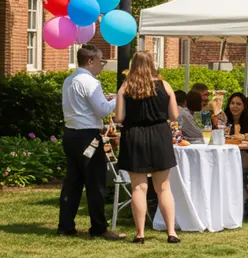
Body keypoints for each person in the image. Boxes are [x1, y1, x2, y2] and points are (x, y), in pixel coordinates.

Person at [112, 51, 180, 244]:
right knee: (164, 188)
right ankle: (171, 232)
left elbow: (119, 118)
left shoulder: (126, 87)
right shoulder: (165, 86)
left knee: (139, 188)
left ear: (133, 65)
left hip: (134, 136)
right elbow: (174, 115)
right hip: (159, 135)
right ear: (152, 64)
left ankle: (140, 234)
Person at [57, 45, 123, 239]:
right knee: (95, 183)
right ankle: (98, 227)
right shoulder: (90, 82)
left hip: (70, 134)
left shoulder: (69, 80)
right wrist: (119, 98)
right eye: (101, 61)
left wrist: (106, 100)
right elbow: (102, 111)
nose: (102, 65)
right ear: (91, 61)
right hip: (87, 136)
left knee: (73, 182)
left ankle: (66, 226)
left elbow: (86, 105)